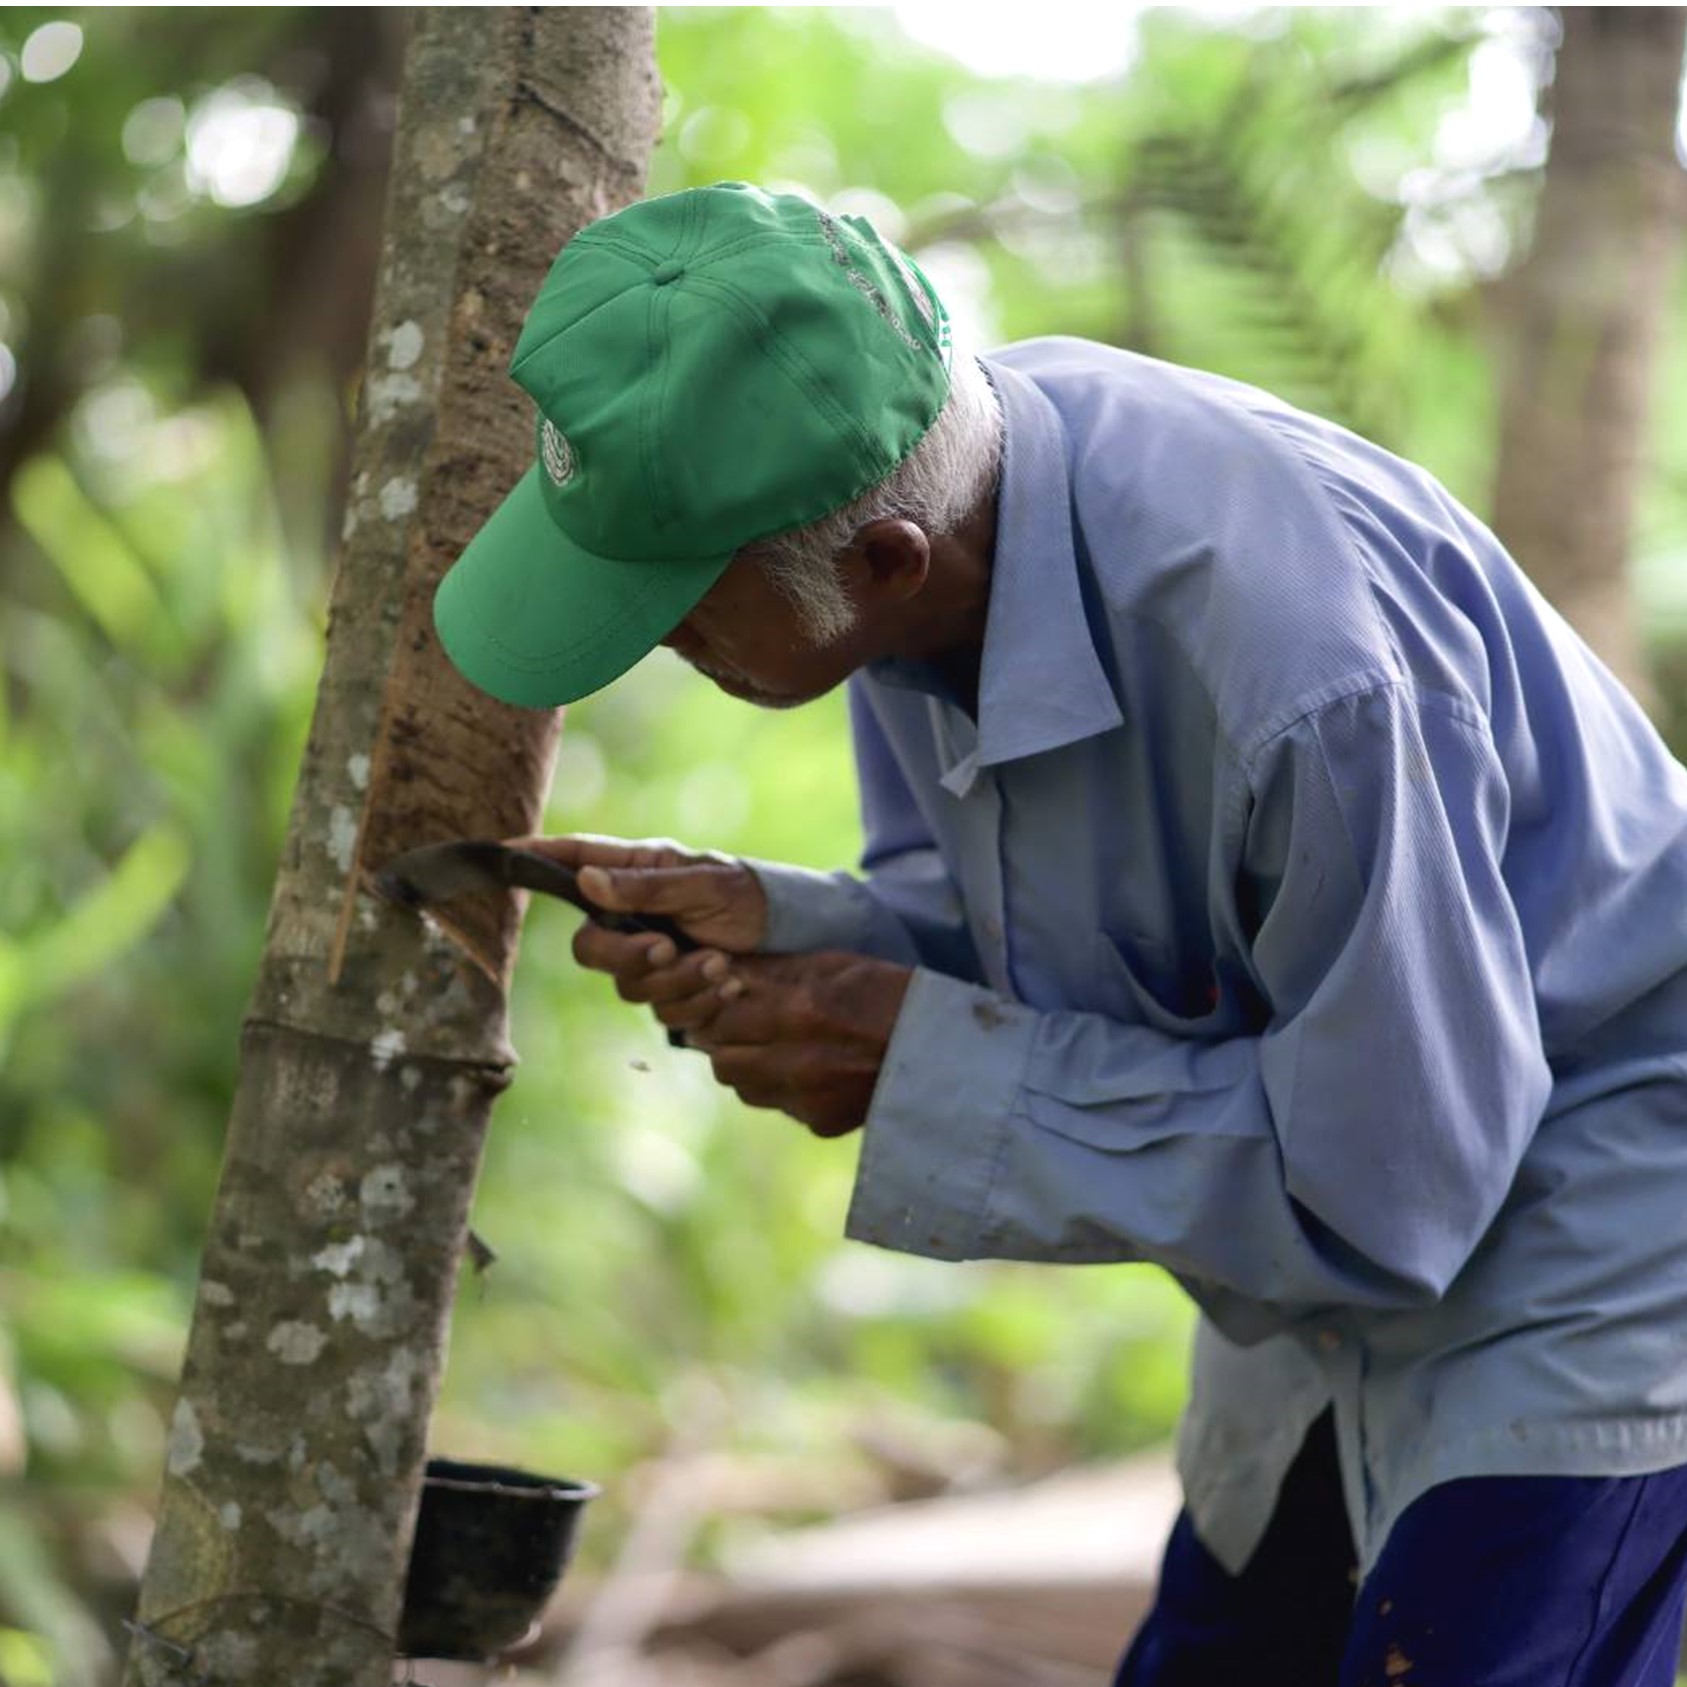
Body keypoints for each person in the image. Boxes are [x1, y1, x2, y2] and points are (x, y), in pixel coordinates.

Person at [433, 182, 1687, 1685]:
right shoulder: (933, 539)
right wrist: (800, 927)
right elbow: (1091, 960)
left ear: (889, 557)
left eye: (684, 606)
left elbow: (1394, 1182)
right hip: (1321, 1292)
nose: (657, 647)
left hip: (1591, 1234)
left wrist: (915, 1069)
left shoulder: (1307, 680)